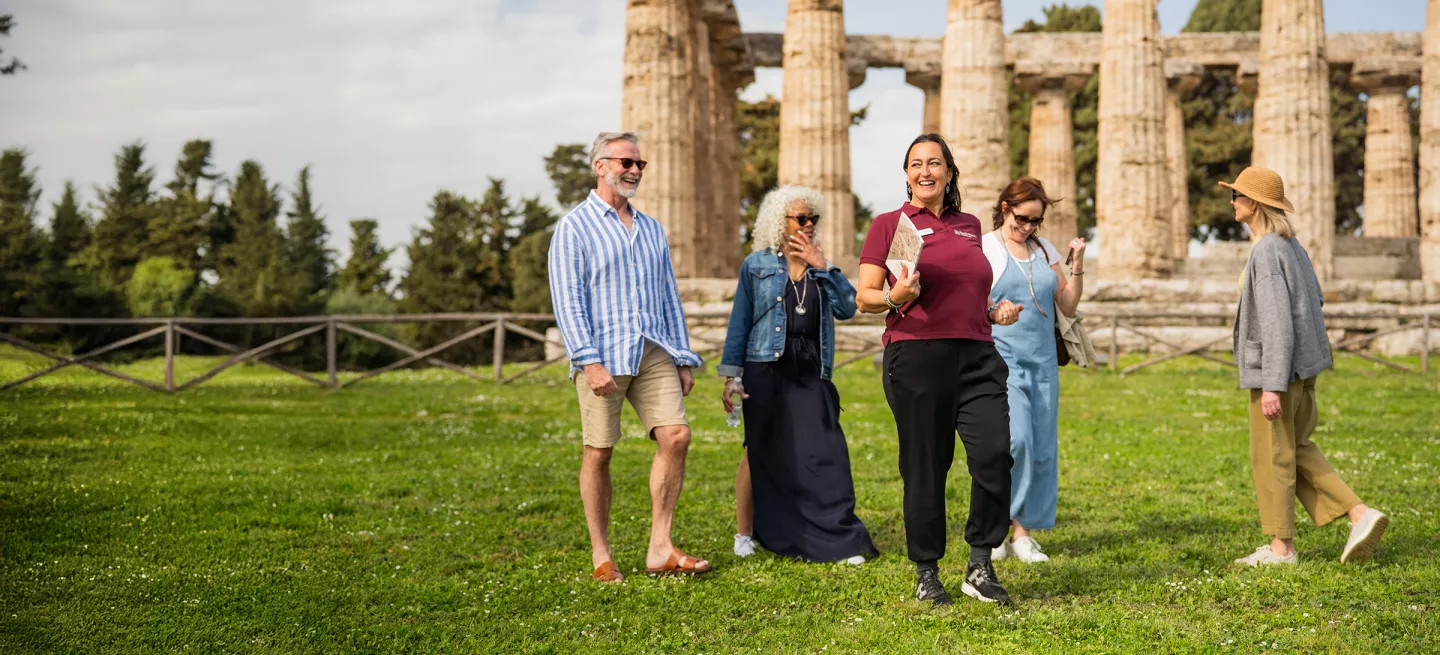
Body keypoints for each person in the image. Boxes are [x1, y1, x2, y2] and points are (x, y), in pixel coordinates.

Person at [856, 133, 1023, 606]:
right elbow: (864, 297)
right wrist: (895, 296)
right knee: (926, 467)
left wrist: (994, 311)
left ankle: (979, 564)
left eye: (934, 163)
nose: (924, 171)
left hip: (977, 355)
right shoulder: (891, 224)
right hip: (916, 356)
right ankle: (927, 572)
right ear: (906, 175)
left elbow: (966, 292)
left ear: (949, 172)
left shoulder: (969, 225)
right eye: (915, 164)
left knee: (993, 455)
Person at [548, 131, 711, 583]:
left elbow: (667, 296)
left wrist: (682, 357)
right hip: (603, 353)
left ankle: (660, 546)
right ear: (600, 166)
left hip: (653, 348)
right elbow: (568, 300)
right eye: (625, 162)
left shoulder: (652, 228)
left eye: (639, 164)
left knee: (676, 436)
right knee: (599, 452)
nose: (634, 170)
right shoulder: (573, 227)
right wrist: (588, 360)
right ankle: (601, 554)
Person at [1222, 166, 1389, 567]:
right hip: (1303, 369)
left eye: (1237, 196)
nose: (1231, 202)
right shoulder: (1292, 247)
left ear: (1254, 204)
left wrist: (1272, 384)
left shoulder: (1266, 251)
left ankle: (1282, 548)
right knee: (1296, 450)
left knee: (1273, 457)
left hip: (1279, 372)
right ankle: (1358, 515)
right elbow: (1315, 302)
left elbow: (1278, 320)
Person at [719, 185, 878, 565]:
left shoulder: (822, 267)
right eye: (800, 218)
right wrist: (731, 375)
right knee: (758, 450)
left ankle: (835, 536)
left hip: (810, 368)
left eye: (813, 219)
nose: (808, 225)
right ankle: (746, 533)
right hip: (765, 366)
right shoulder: (756, 264)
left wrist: (823, 267)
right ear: (780, 221)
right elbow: (739, 322)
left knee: (826, 452)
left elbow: (847, 309)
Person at [980, 177, 1086, 564]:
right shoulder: (986, 247)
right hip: (1000, 359)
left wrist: (1076, 268)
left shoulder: (1043, 248)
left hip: (1042, 360)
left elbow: (1068, 305)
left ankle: (1023, 533)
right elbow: (974, 303)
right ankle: (995, 528)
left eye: (1036, 221)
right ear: (1005, 208)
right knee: (1014, 442)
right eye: (1022, 219)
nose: (1028, 227)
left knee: (1041, 446)